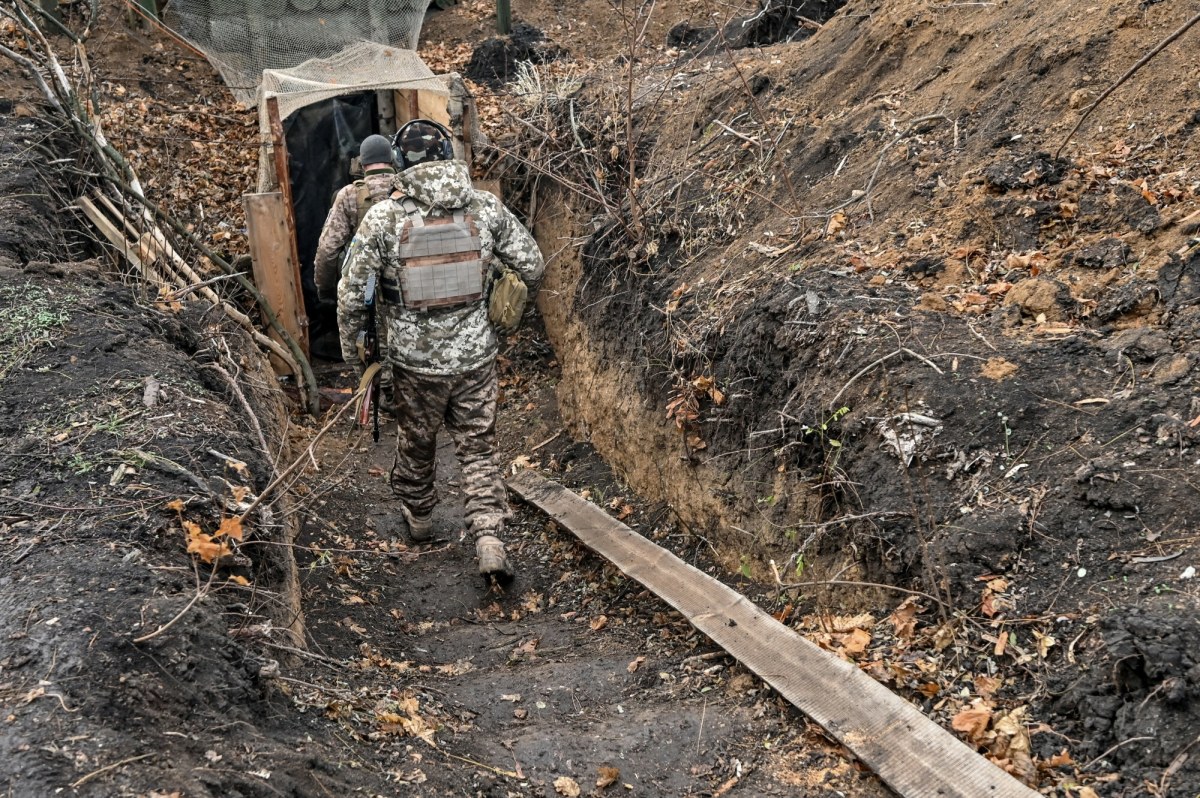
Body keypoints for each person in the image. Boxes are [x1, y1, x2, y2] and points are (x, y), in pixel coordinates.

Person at [337, 119, 544, 583]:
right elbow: (532, 265)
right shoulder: (485, 207)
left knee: (417, 441)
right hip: (477, 359)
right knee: (478, 447)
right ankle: (489, 536)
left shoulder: (384, 218)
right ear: (449, 154)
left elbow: (351, 297)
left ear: (398, 162)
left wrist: (360, 364)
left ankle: (422, 519)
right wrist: (496, 310)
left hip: (414, 364)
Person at [313, 134, 398, 302]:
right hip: (404, 286)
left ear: (362, 164)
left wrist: (325, 288)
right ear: (393, 160)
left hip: (367, 287)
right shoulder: (407, 187)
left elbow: (328, 250)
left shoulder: (349, 195)